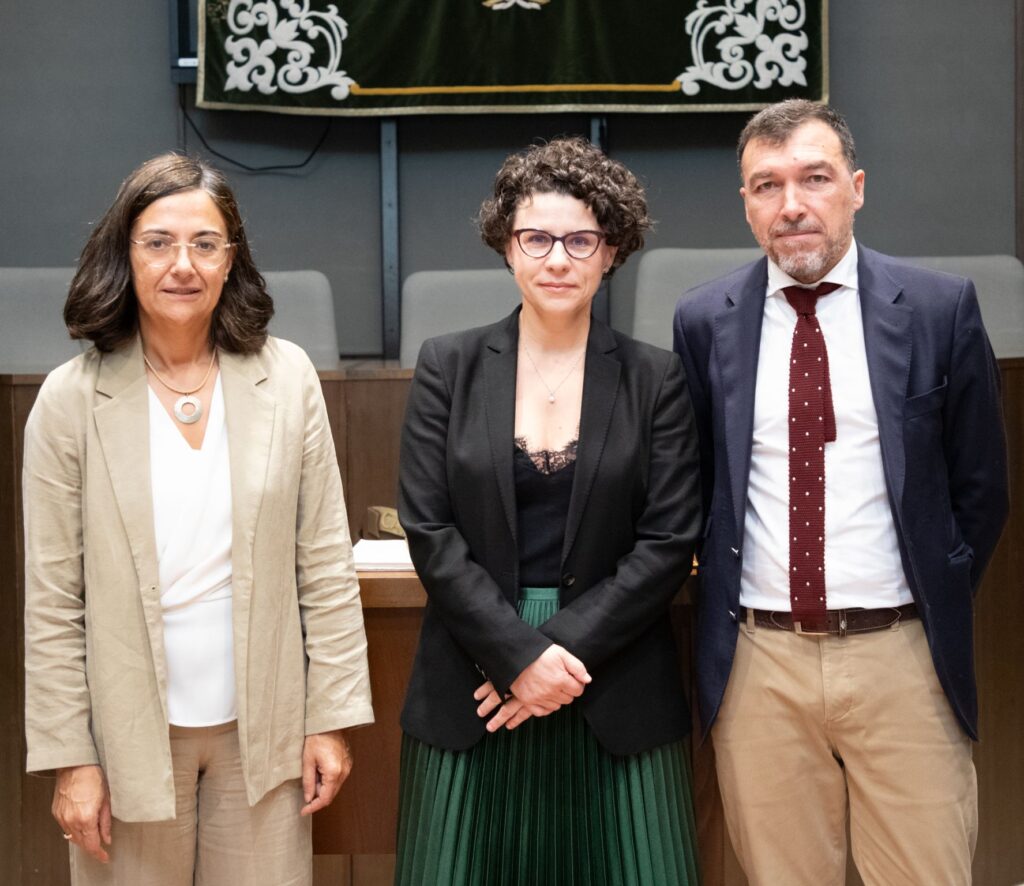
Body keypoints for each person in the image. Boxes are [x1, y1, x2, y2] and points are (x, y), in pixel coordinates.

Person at [673, 99, 1009, 884]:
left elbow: (981, 488)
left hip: (903, 656)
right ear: (747, 204)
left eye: (815, 179)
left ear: (856, 188)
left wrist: (930, 595)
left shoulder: (936, 309)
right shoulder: (703, 321)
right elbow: (695, 487)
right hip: (759, 663)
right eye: (767, 185)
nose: (792, 204)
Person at [23, 153, 374, 886]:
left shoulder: (288, 379)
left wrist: (329, 718)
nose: (182, 264)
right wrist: (72, 758)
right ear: (125, 254)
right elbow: (52, 602)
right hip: (124, 744)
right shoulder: (69, 400)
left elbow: (326, 567)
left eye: (205, 244)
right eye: (157, 242)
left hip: (267, 736)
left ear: (230, 259)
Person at [394, 136, 703, 885]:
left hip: (615, 684)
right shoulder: (448, 364)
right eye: (537, 238)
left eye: (580, 240)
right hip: (473, 680)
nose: (557, 259)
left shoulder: (656, 377)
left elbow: (669, 540)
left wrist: (550, 658)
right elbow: (429, 531)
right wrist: (515, 657)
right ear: (507, 246)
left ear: (612, 251)